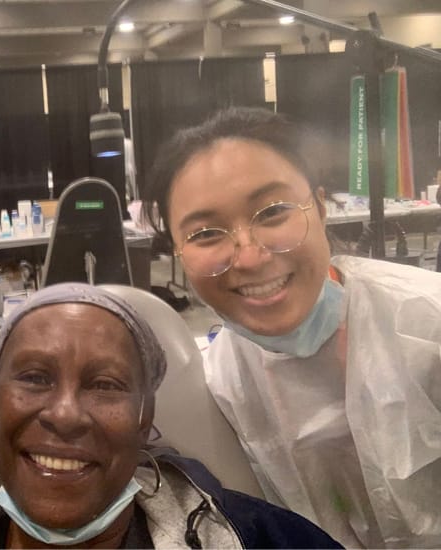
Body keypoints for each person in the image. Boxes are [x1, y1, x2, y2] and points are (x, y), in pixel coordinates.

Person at [144, 106, 441, 548]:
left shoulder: (425, 324)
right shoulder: (218, 388)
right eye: (206, 233)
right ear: (178, 255)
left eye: (272, 212)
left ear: (320, 207)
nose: (249, 256)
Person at [0, 283, 340, 549]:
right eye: (34, 377)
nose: (66, 414)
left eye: (105, 385)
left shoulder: (260, 538)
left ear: (145, 418)